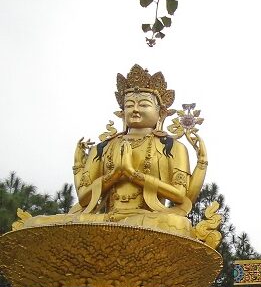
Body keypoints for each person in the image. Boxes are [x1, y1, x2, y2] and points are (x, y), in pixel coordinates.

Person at [21, 65, 208, 238]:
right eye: (128, 105)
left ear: (161, 114)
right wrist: (115, 174)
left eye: (143, 104)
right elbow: (84, 198)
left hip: (148, 219)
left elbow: (179, 195)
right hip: (103, 219)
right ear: (122, 112)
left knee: (175, 223)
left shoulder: (172, 147)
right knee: (36, 223)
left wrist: (132, 174)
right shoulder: (102, 148)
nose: (135, 110)